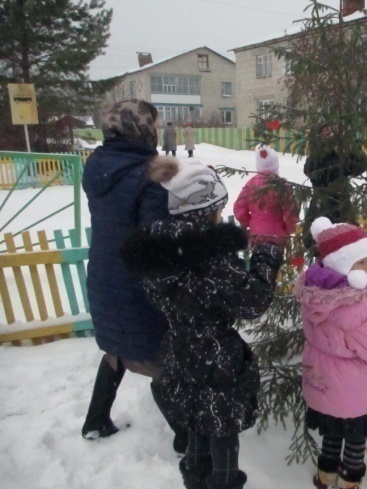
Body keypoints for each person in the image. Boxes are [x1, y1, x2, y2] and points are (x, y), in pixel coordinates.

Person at [120, 159, 283, 489]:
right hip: (215, 357)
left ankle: (195, 479)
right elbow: (253, 301)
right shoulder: (209, 258)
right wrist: (266, 258)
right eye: (218, 209)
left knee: (196, 422)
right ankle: (222, 483)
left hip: (179, 349)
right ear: (208, 210)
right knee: (222, 431)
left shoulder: (158, 249)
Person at [81, 98, 186, 453]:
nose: (156, 131)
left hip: (104, 275)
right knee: (161, 362)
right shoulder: (148, 175)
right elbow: (154, 238)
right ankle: (185, 437)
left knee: (115, 348)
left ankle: (96, 420)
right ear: (139, 128)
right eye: (153, 125)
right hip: (136, 282)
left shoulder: (97, 166)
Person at [294, 217, 367, 489]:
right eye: (362, 263)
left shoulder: (316, 293)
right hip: (352, 388)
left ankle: (325, 475)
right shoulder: (352, 307)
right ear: (343, 266)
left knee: (332, 432)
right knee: (354, 439)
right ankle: (350, 481)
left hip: (325, 385)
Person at [302, 124, 367, 249]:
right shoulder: (317, 156)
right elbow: (310, 171)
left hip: (342, 205)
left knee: (346, 245)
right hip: (321, 206)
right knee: (319, 246)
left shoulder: (342, 154)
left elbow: (362, 165)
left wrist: (347, 150)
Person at [233, 144, 299, 247]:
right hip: (277, 235)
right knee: (276, 260)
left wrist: (250, 223)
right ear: (276, 165)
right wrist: (288, 228)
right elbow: (291, 211)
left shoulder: (250, 184)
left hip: (256, 235)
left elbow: (239, 208)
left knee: (258, 260)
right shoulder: (282, 185)